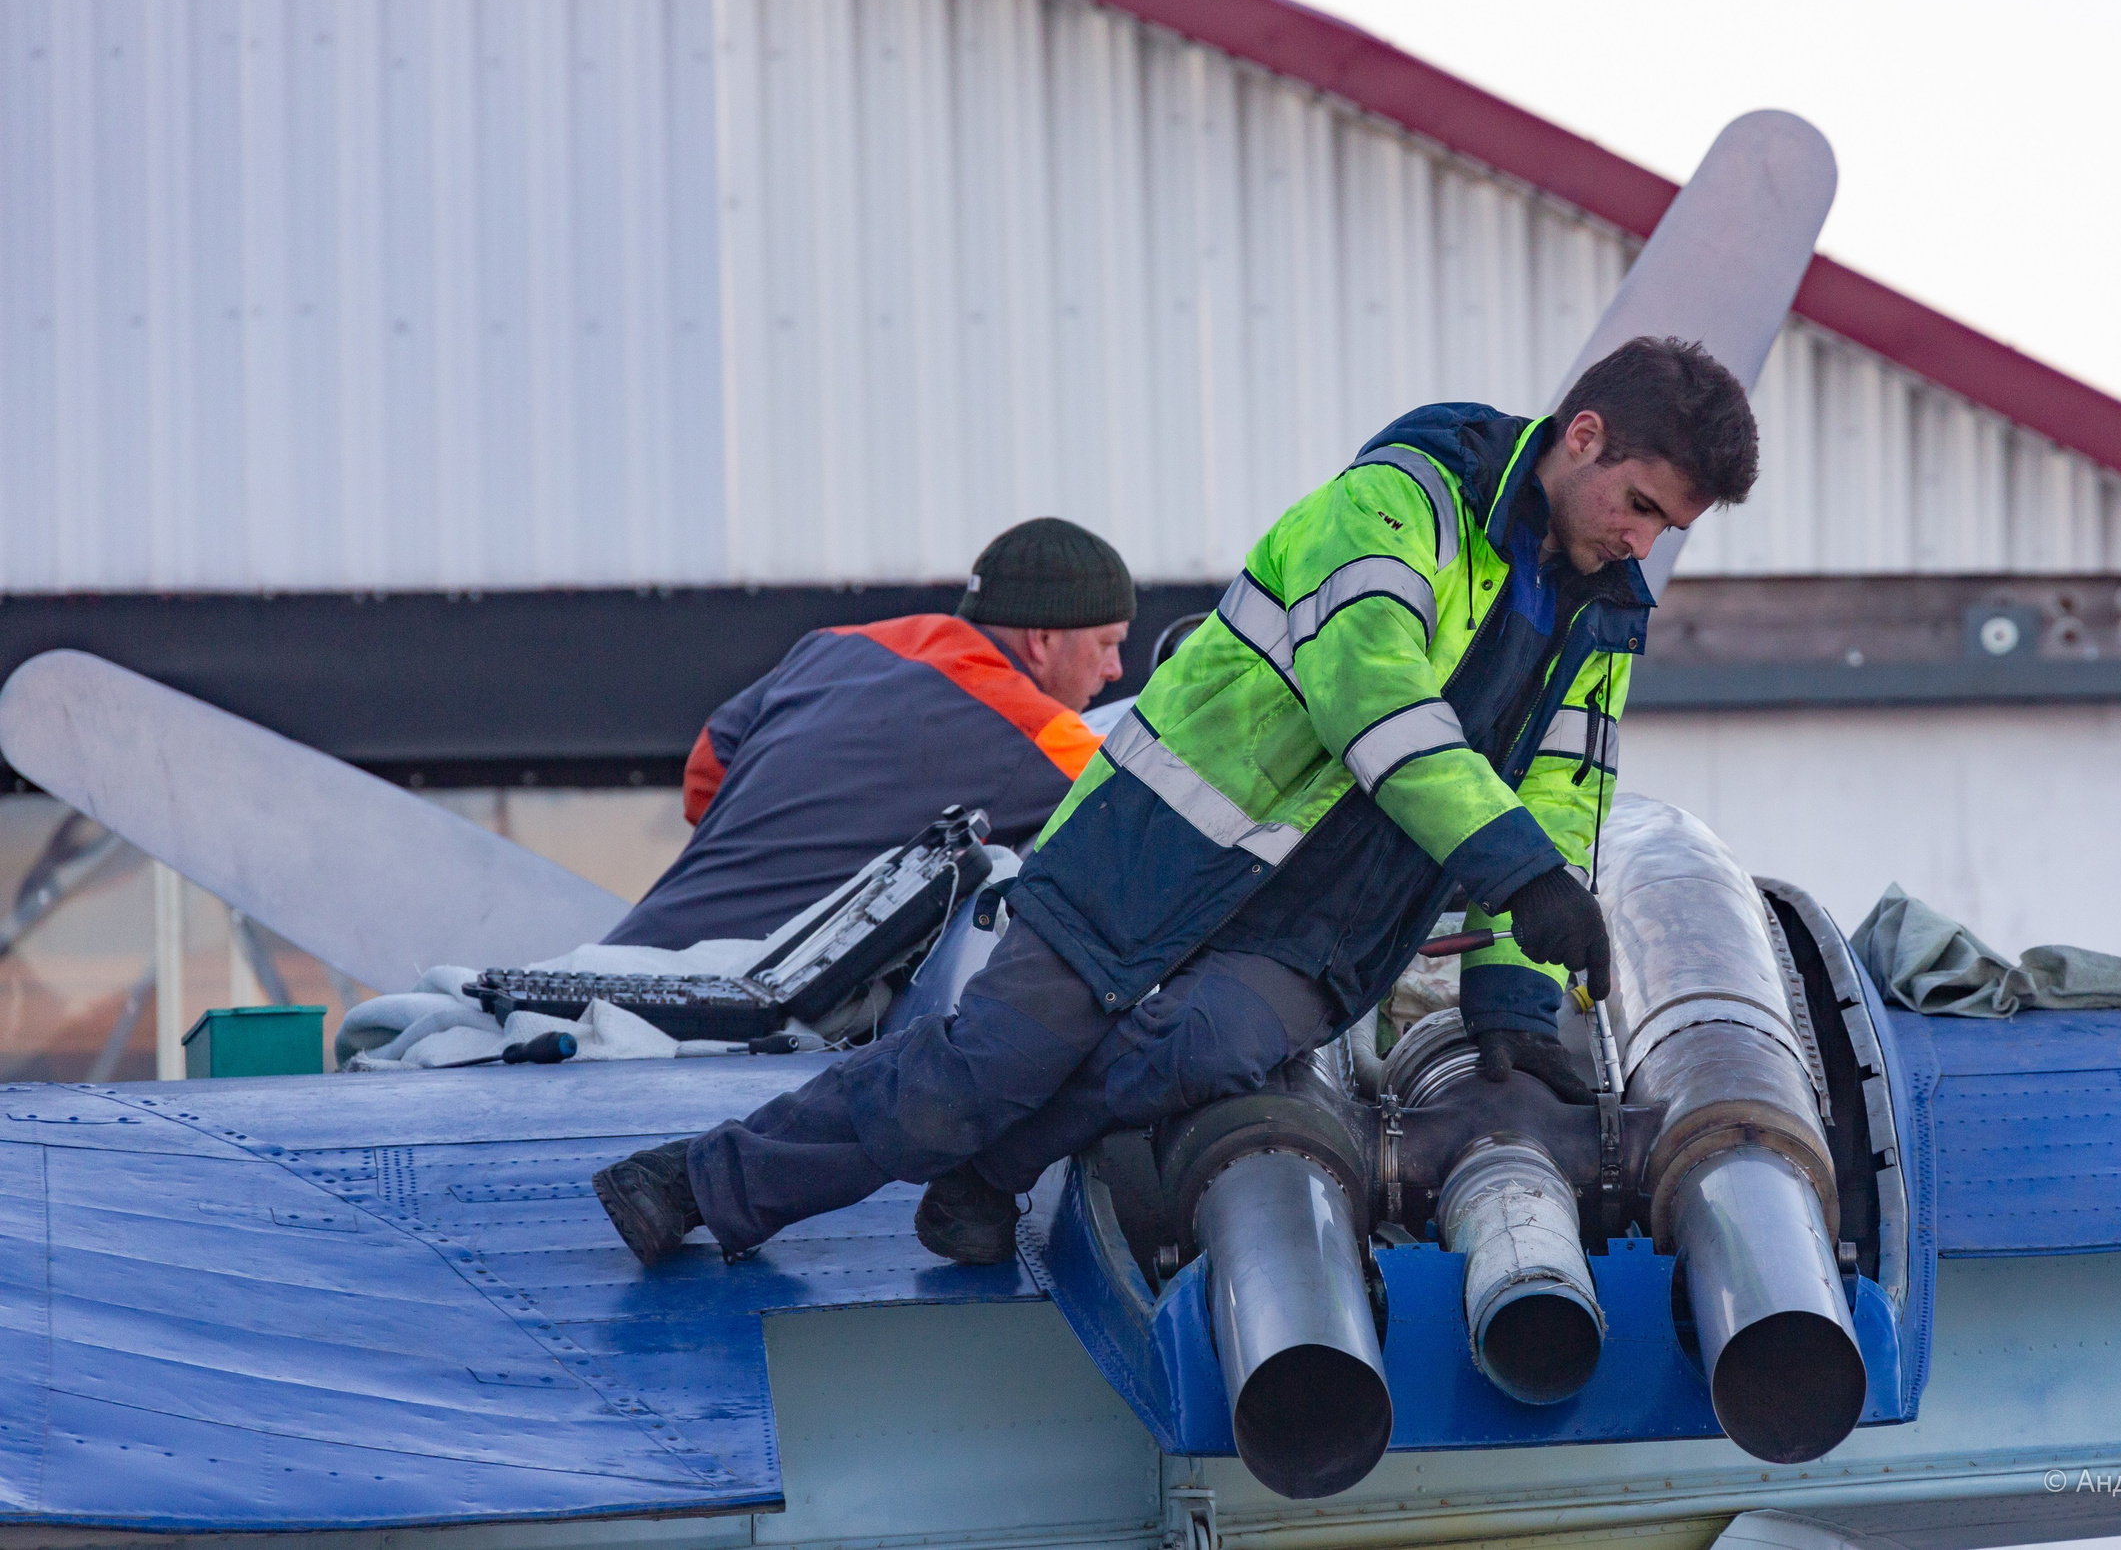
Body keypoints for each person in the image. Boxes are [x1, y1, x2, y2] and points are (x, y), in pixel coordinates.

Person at [594, 337, 1759, 1268]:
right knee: (976, 1071)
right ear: (1583, 435)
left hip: (1326, 921)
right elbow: (1373, 698)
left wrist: (1512, 993)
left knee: (1201, 1047)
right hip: (1150, 854)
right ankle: (700, 1183)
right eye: (1638, 504)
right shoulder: (1398, 504)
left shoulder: (1603, 612)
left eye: (1666, 528)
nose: (1640, 542)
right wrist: (1519, 874)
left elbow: (1558, 796)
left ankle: (990, 1177)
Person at [603, 519, 1133, 950]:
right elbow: (1143, 806)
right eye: (1107, 644)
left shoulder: (832, 645)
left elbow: (706, 773)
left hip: (627, 954)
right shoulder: (1037, 729)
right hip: (742, 997)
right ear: (1043, 639)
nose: (1115, 670)